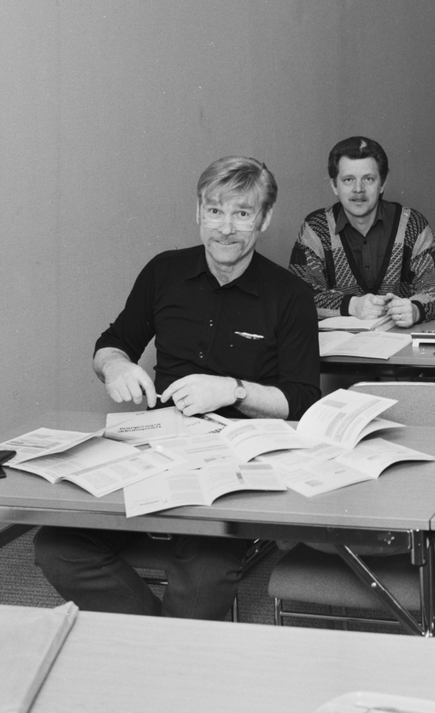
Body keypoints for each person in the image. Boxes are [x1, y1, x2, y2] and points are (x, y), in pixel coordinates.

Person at [34, 157, 320, 620]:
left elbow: (304, 400)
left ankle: (161, 651)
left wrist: (233, 390)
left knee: (204, 568)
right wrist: (115, 366)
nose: (225, 228)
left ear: (265, 219)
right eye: (215, 211)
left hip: (236, 461)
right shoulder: (163, 272)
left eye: (242, 213)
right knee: (57, 546)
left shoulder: (290, 295)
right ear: (198, 212)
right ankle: (158, 642)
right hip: (158, 451)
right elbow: (112, 343)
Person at [289, 136, 435, 327]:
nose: (358, 189)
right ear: (334, 186)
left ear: (382, 183)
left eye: (368, 179)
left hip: (401, 340)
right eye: (348, 180)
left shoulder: (412, 225)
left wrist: (415, 310)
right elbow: (299, 294)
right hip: (338, 344)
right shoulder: (316, 228)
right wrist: (352, 305)